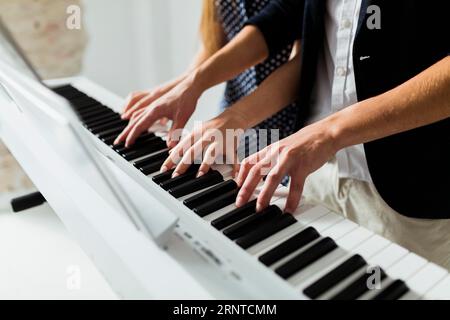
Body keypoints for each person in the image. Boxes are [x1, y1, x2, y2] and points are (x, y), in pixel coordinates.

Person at [118, 0, 450, 269]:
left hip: (409, 187)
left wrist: (330, 131)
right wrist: (206, 95)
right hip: (312, 174)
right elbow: (290, 27)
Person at [116, 0, 300, 165]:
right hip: (229, 112)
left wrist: (236, 116)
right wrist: (171, 90)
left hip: (280, 120)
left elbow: (300, 62)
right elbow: (213, 46)